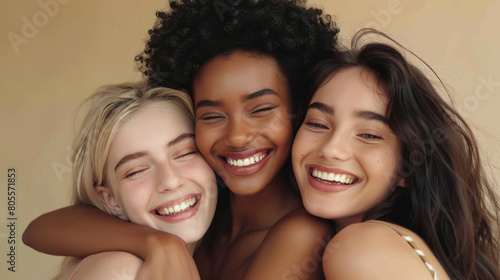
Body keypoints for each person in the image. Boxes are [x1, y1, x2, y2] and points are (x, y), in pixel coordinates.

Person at [23, 1, 340, 279]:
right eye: (212, 116)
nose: (238, 136)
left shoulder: (302, 231)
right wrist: (158, 243)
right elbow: (38, 230)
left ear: (297, 111)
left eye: (261, 109)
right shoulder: (203, 207)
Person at [292, 29, 500, 280]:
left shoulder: (361, 248)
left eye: (369, 135)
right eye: (317, 124)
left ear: (408, 169)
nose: (330, 148)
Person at [46, 83, 218, 279]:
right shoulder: (123, 271)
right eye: (137, 171)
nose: (170, 180)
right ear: (110, 200)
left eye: (185, 153)